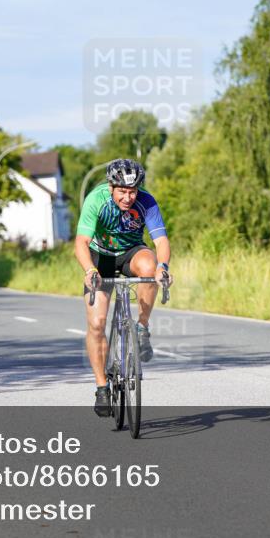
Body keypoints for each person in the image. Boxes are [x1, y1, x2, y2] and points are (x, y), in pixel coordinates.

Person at [75, 158, 172, 417]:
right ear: (111, 187)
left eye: (132, 192)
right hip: (100, 257)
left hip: (131, 252)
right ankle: (102, 388)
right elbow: (81, 242)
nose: (128, 198)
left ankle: (141, 327)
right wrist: (89, 270)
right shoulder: (96, 200)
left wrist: (163, 266)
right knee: (97, 324)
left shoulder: (147, 202)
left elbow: (161, 240)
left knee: (150, 267)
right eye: (122, 192)